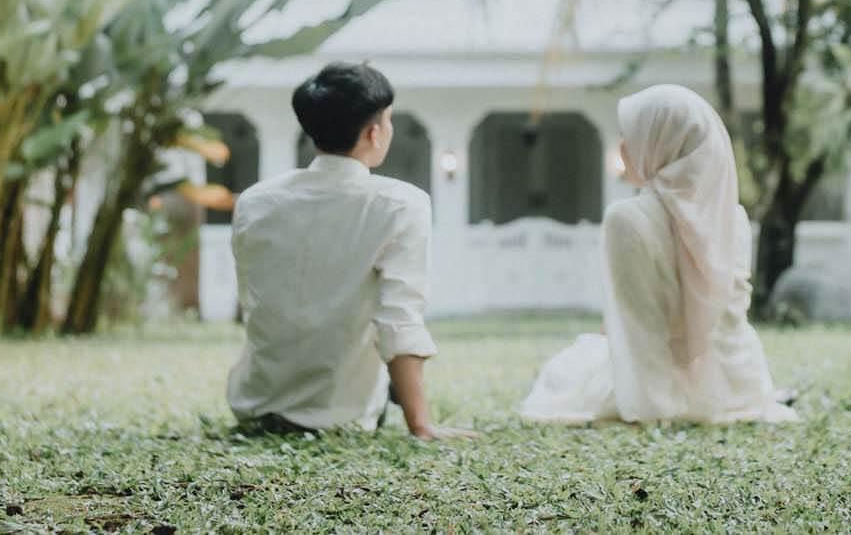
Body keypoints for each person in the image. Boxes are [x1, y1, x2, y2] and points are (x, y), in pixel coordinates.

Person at [520, 84, 797, 425]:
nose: (622, 147)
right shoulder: (733, 217)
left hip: (661, 390)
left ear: (663, 144)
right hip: (739, 386)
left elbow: (639, 334)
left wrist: (652, 406)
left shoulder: (626, 218)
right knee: (585, 353)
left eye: (631, 135)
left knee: (563, 373)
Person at [227, 62, 473, 440]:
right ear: (374, 133)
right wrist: (421, 426)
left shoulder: (255, 201)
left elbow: (253, 302)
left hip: (257, 403)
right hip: (342, 413)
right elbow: (399, 320)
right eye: (388, 120)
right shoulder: (401, 203)